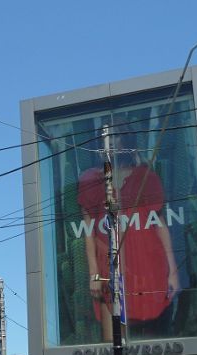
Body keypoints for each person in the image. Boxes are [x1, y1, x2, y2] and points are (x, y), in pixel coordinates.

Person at [77, 128, 180, 342]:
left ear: (126, 140)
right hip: (111, 268)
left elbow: (160, 224)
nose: (111, 142)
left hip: (149, 264)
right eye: (105, 138)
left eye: (115, 135)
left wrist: (173, 270)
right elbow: (88, 232)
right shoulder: (89, 180)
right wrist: (94, 274)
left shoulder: (146, 176)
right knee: (112, 344)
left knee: (154, 341)